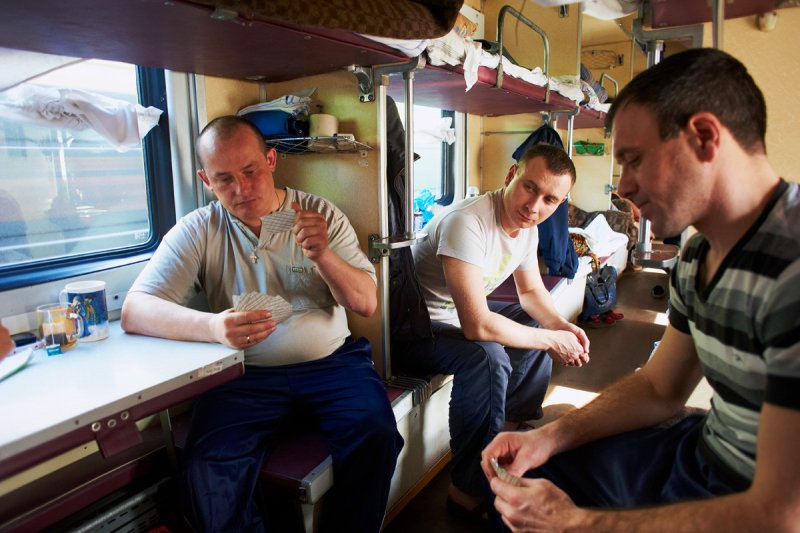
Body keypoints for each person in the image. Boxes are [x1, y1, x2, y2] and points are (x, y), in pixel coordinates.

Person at [481, 47, 800, 532]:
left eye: (633, 160)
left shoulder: (791, 268)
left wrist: (576, 523)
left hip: (756, 499)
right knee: (526, 478)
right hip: (706, 453)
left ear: (704, 137)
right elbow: (659, 387)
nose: (623, 187)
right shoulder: (698, 256)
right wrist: (549, 437)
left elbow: (780, 516)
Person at [121, 115, 403, 532]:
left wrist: (322, 255)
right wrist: (213, 328)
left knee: (376, 435)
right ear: (206, 180)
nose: (241, 189)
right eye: (224, 179)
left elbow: (365, 303)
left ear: (271, 160)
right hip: (244, 375)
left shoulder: (318, 214)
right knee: (208, 465)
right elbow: (135, 309)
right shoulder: (201, 229)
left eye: (250, 171)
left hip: (332, 365)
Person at [394, 143, 590, 518]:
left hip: (456, 317)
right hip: (417, 327)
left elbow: (531, 293)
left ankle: (508, 430)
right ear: (511, 175)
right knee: (488, 357)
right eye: (529, 187)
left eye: (550, 199)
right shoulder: (467, 221)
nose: (534, 206)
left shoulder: (528, 227)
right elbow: (477, 325)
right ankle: (466, 490)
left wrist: (561, 326)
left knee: (534, 321)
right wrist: (550, 341)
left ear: (560, 203)